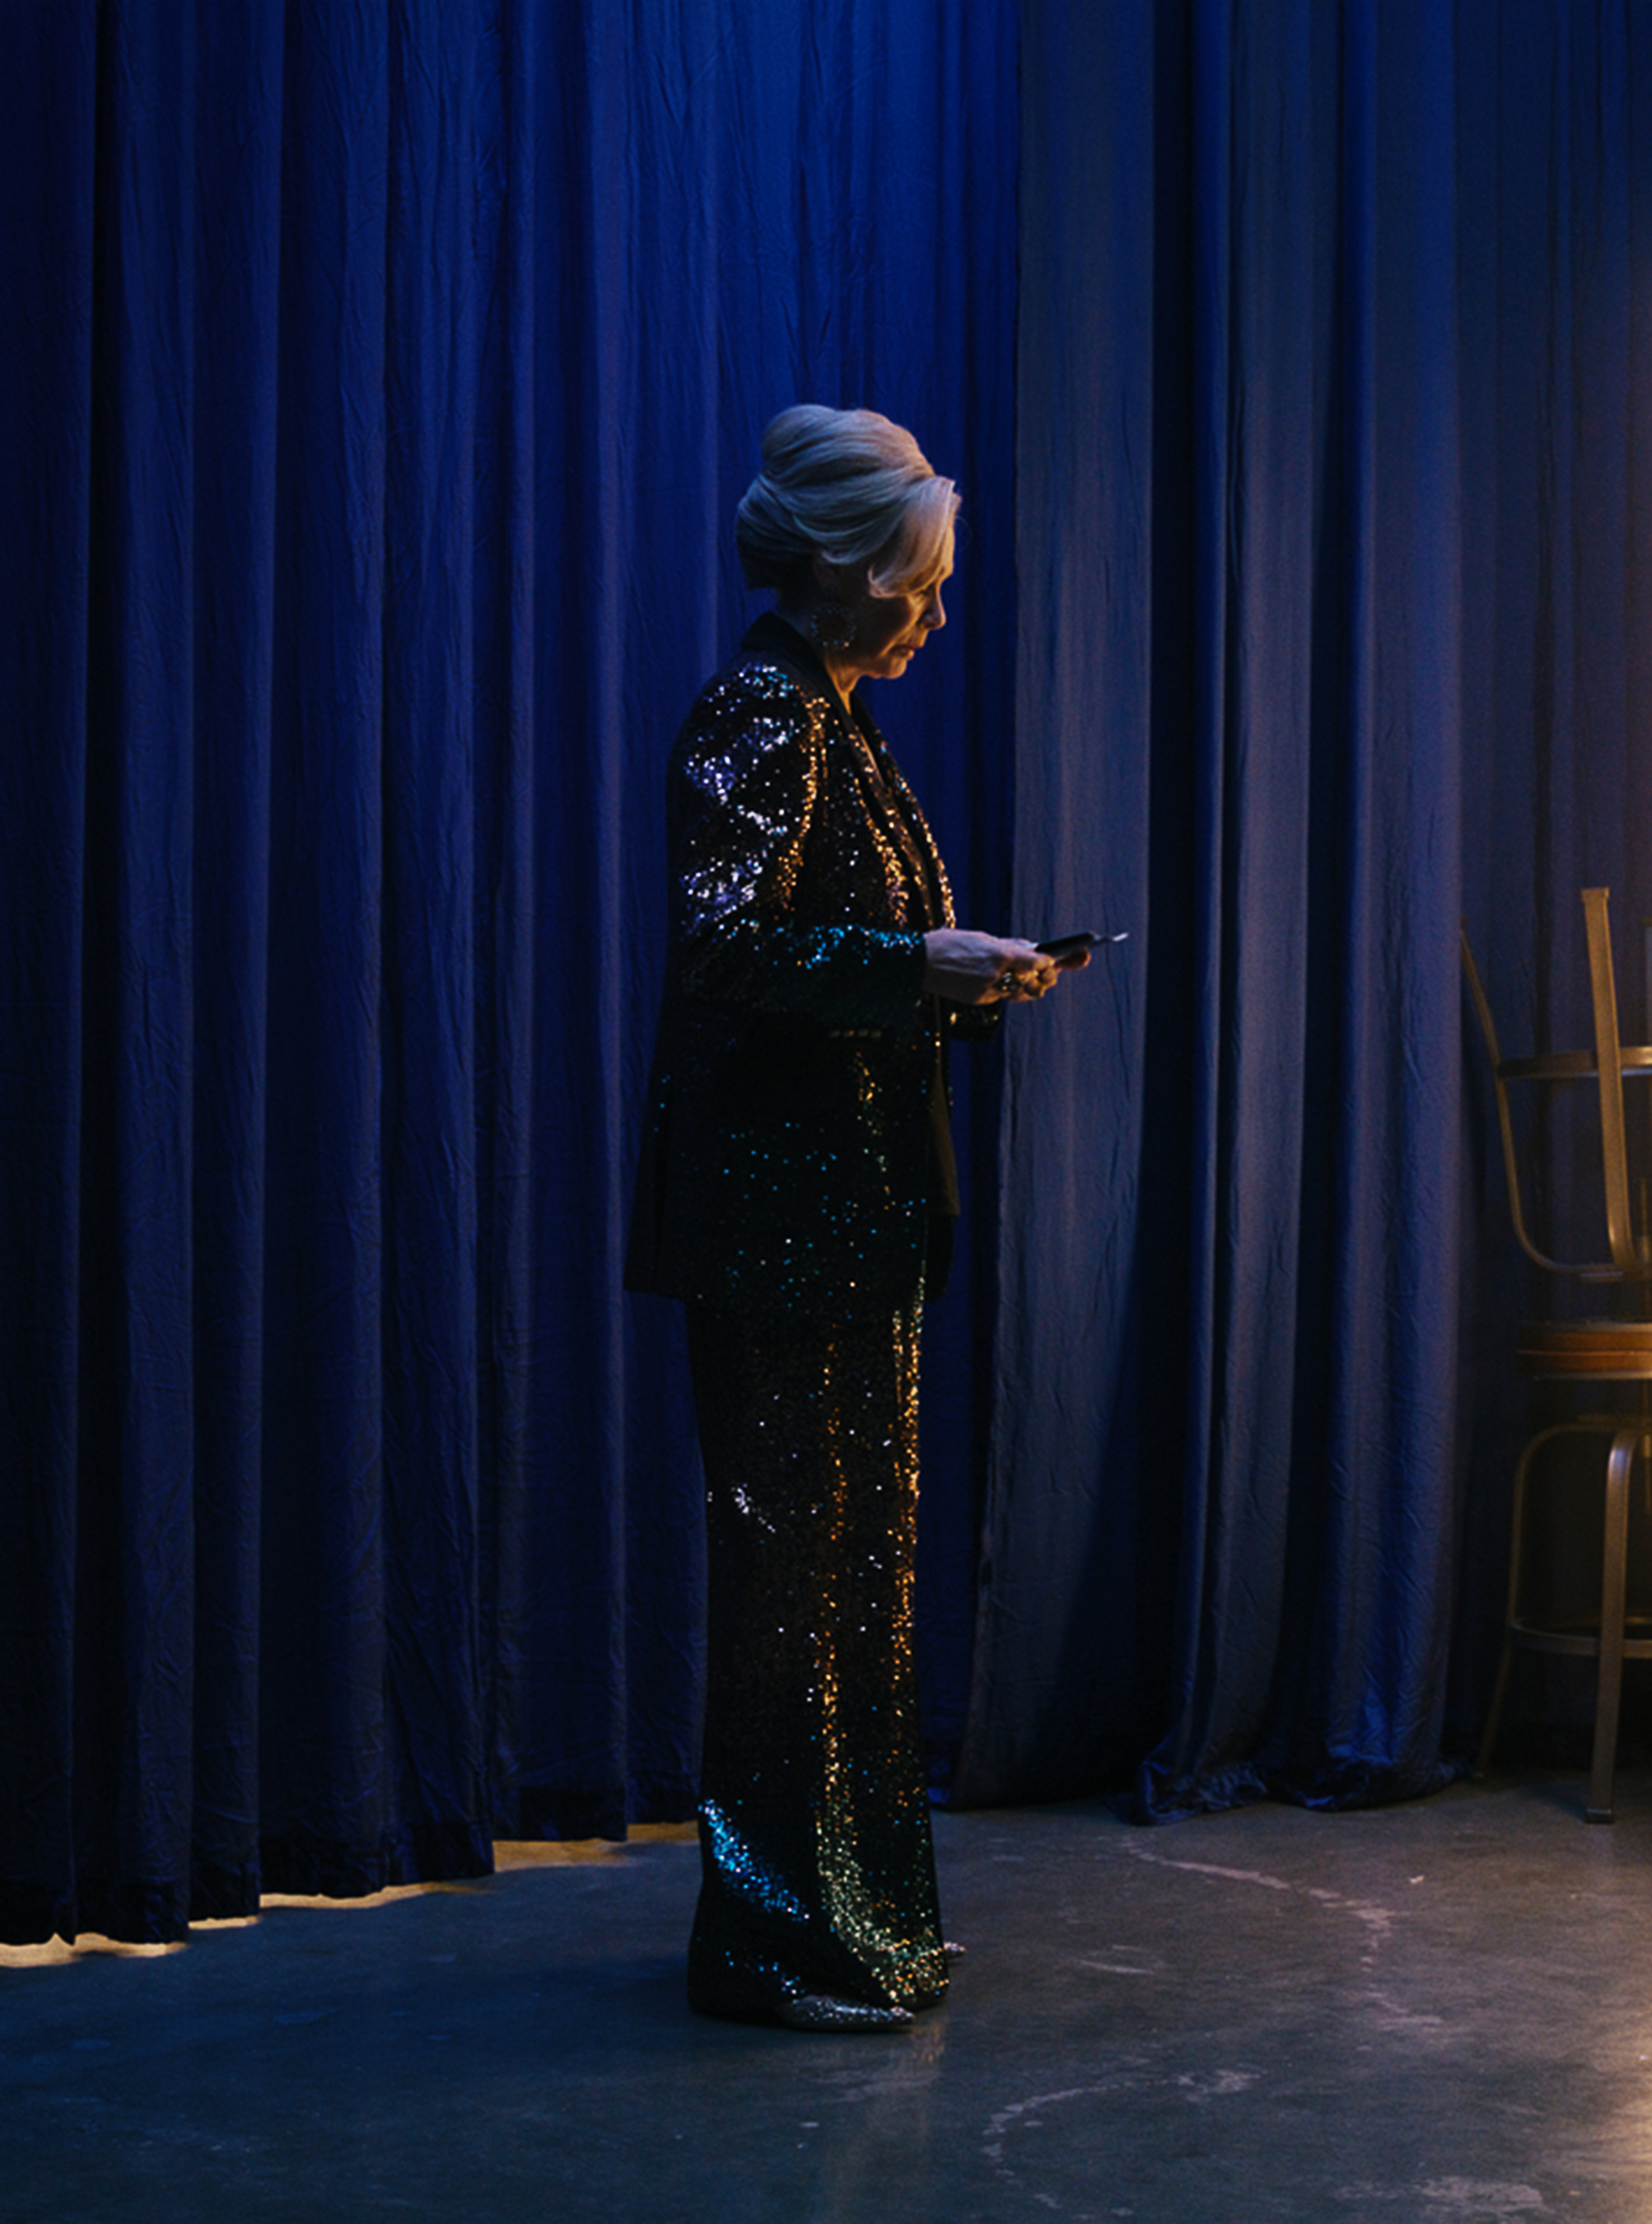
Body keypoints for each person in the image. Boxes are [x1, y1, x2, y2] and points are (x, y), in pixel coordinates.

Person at [623, 404, 1080, 2032]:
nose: (935, 615)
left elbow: (823, 954)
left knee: (851, 1587)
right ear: (838, 575)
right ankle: (773, 1938)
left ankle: (853, 1924)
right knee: (795, 1595)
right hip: (779, 1232)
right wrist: (918, 970)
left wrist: (951, 979)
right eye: (918, 584)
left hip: (838, 1222)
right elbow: (723, 950)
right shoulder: (764, 710)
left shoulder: (831, 716)